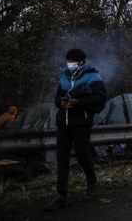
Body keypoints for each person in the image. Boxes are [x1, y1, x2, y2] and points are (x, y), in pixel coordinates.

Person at [44, 48, 107, 211]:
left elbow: (100, 97)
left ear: (82, 62)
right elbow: (57, 98)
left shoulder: (92, 76)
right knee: (62, 158)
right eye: (68, 60)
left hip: (82, 122)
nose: (70, 63)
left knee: (81, 154)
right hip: (63, 122)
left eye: (73, 60)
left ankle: (92, 183)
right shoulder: (64, 76)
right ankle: (61, 196)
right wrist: (61, 103)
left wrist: (79, 102)